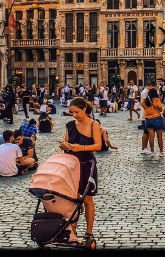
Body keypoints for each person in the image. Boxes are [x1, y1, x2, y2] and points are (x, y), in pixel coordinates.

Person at [59, 97, 102, 243]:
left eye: (77, 112)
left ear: (84, 109)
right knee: (73, 198)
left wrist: (81, 147)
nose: (74, 115)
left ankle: (89, 232)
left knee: (87, 199)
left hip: (86, 164)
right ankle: (73, 229)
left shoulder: (94, 124)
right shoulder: (70, 125)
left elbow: (98, 145)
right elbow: (66, 141)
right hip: (72, 164)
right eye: (72, 112)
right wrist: (64, 145)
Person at [143, 88, 165, 157]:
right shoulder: (157, 100)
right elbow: (160, 109)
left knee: (151, 136)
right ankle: (161, 152)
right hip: (156, 119)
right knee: (159, 137)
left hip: (148, 120)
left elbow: (144, 107)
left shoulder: (144, 100)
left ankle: (152, 151)